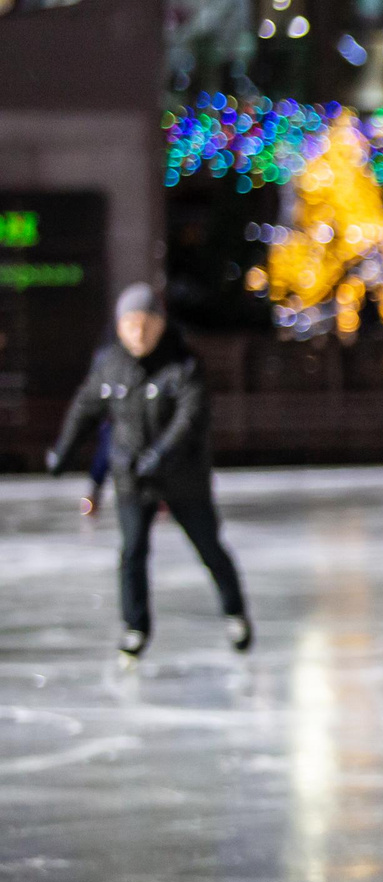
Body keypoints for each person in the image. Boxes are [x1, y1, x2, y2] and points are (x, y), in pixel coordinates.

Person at [46, 284, 252, 663]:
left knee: (209, 546)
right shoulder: (111, 364)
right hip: (132, 477)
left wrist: (162, 455)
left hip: (184, 477)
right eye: (130, 325)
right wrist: (64, 448)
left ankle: (235, 612)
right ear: (120, 326)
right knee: (132, 552)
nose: (138, 333)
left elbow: (190, 420)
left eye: (146, 324)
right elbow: (86, 407)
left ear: (159, 324)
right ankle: (135, 626)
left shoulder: (183, 364)